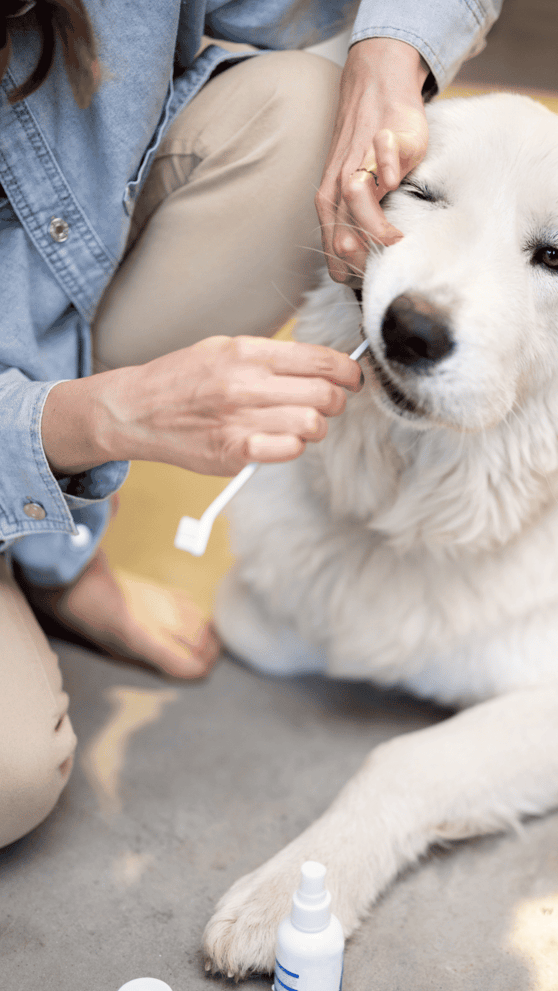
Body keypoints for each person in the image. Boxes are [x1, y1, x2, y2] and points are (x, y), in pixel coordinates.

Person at [0, 0, 501, 848]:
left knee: (309, 110)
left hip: (38, 284)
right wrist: (99, 419)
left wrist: (388, 58)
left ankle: (49, 550)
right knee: (11, 779)